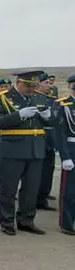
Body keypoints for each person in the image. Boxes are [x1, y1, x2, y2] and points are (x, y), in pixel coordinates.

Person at [0, 70, 52, 235]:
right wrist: (18, 115)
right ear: (19, 83)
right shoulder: (2, 97)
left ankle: (26, 220)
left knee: (31, 189)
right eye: (29, 86)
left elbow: (50, 122)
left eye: (34, 85)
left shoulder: (39, 97)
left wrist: (48, 117)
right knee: (8, 189)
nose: (32, 89)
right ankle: (7, 221)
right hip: (13, 149)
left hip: (36, 149)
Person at [54, 75, 75, 235]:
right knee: (69, 190)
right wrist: (65, 156)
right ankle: (67, 223)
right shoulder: (63, 105)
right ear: (70, 87)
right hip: (71, 148)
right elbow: (59, 133)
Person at [36, 73, 59, 212]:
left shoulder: (52, 100)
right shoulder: (32, 98)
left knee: (48, 171)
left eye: (50, 83)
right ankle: (32, 198)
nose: (49, 86)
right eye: (46, 83)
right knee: (34, 172)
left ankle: (43, 197)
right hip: (37, 139)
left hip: (50, 140)